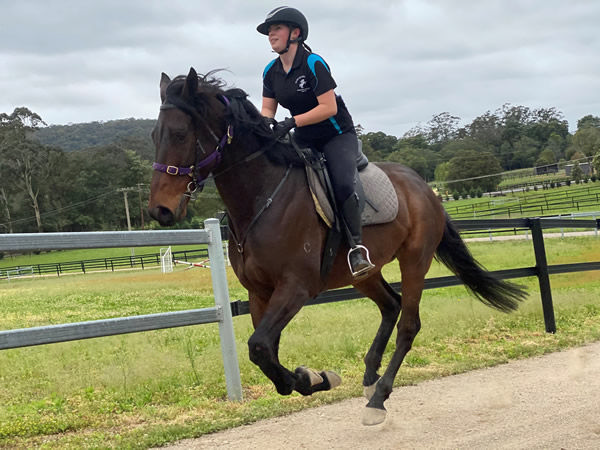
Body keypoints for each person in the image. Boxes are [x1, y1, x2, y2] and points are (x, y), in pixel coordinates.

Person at [257, 6, 375, 278]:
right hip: (304, 138)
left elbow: (328, 107)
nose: (271, 34)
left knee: (343, 183)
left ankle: (356, 248)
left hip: (336, 135)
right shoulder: (270, 71)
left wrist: (293, 121)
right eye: (269, 31)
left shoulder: (313, 63)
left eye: (277, 28)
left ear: (295, 33)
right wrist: (266, 125)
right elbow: (268, 110)